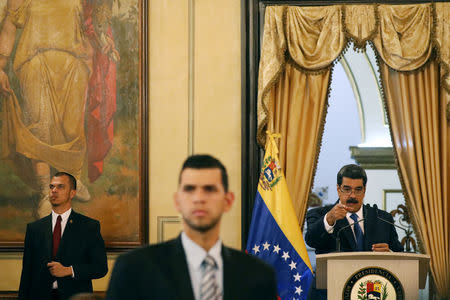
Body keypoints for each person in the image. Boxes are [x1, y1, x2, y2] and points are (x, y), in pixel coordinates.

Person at [0, 0, 118, 217]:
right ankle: (48, 192)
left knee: (72, 129)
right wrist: (1, 66)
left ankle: (72, 180)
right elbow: (8, 25)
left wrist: (104, 39)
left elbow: (92, 19)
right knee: (40, 126)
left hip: (74, 64)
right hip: (34, 63)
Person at [106, 154, 277, 300]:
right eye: (189, 189)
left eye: (209, 189)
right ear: (177, 201)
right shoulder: (134, 269)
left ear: (228, 201)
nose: (198, 198)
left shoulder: (259, 274)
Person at [304, 164, 403, 299]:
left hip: (371, 293)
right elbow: (311, 239)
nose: (352, 196)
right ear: (338, 189)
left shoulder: (383, 219)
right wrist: (330, 218)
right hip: (330, 292)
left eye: (358, 190)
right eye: (347, 189)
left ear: (364, 190)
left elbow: (400, 254)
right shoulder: (320, 214)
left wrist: (390, 254)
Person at [18, 172, 108, 300]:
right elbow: (26, 274)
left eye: (60, 187)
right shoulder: (34, 228)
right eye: (51, 187)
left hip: (75, 297)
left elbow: (100, 268)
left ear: (72, 193)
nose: (54, 190)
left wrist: (69, 270)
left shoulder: (89, 226)